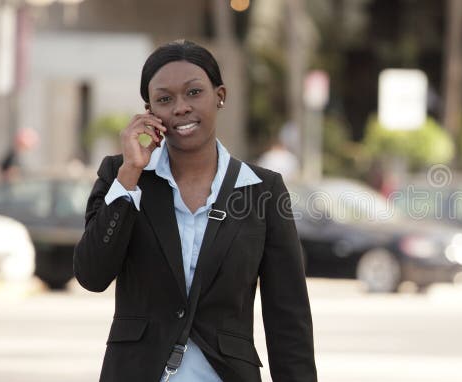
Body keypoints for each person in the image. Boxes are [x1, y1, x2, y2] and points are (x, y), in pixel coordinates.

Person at [73, 40, 316, 382]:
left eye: (194, 92)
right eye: (165, 99)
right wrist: (130, 174)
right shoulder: (120, 174)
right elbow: (91, 275)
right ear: (149, 111)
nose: (181, 108)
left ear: (220, 95)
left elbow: (288, 316)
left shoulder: (262, 190)